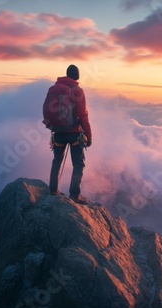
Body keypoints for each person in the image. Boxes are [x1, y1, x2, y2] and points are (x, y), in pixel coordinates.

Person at [48, 64, 92, 204]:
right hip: (73, 133)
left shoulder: (55, 89)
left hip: (58, 131)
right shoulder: (77, 91)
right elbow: (83, 116)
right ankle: (74, 194)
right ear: (76, 75)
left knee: (57, 160)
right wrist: (89, 136)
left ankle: (53, 190)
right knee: (78, 164)